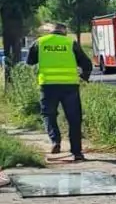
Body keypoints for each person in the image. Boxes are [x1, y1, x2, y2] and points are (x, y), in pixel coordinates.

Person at [25, 22, 93, 160]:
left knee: (48, 115)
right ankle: (77, 152)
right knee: (74, 119)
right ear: (64, 31)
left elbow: (30, 61)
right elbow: (87, 64)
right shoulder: (70, 42)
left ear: (51, 31)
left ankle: (55, 141)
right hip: (70, 86)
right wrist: (83, 77)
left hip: (48, 86)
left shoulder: (40, 42)